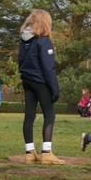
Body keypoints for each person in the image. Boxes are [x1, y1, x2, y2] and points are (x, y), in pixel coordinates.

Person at [17, 9, 64, 164]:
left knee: (29, 116)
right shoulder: (43, 41)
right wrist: (55, 89)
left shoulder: (24, 40)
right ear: (45, 22)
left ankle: (30, 153)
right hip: (40, 81)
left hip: (27, 80)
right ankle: (46, 152)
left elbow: (20, 61)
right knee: (49, 114)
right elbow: (48, 67)